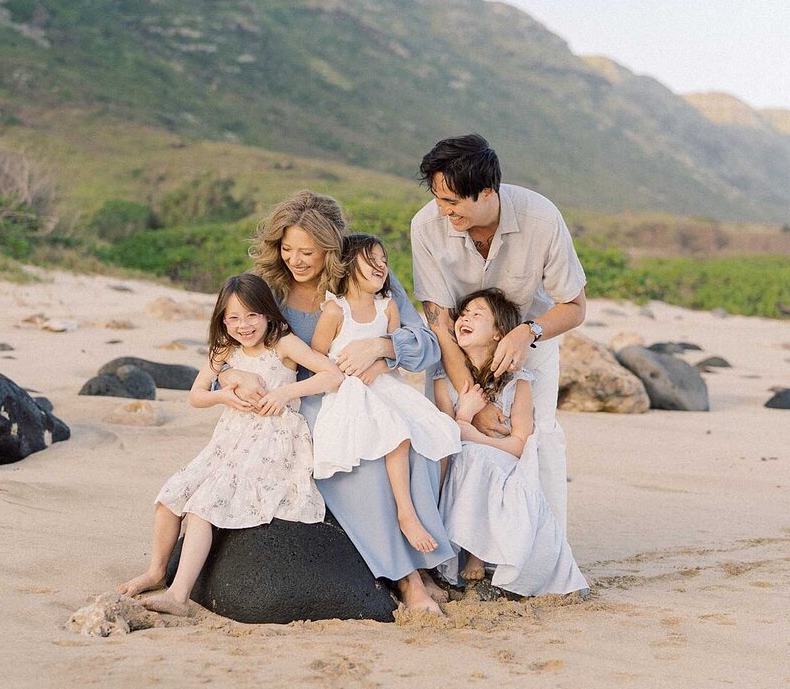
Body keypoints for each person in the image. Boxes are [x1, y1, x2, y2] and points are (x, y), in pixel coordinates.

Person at [218, 191, 450, 614]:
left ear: (332, 248)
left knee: (419, 441)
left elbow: (427, 346)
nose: (297, 260)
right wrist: (229, 374)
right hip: (302, 401)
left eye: (308, 251)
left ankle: (427, 562)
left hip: (366, 393)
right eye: (288, 249)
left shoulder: (365, 279)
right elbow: (228, 343)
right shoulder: (269, 288)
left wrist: (382, 347)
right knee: (365, 458)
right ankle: (408, 579)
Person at [116, 273, 342, 615]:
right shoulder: (225, 348)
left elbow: (332, 375)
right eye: (233, 317)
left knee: (202, 506)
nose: (244, 325)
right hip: (231, 436)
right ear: (223, 319)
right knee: (171, 496)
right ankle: (156, 571)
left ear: (267, 313)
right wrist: (223, 395)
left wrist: (285, 392)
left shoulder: (283, 343)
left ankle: (178, 596)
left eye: (252, 315)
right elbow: (195, 395)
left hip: (273, 438)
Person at [411, 134, 587, 529]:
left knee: (539, 437)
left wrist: (528, 331)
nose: (442, 211)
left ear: (488, 192)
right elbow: (438, 321)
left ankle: (540, 548)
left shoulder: (541, 219)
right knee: (444, 433)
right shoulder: (425, 225)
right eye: (438, 198)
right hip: (457, 343)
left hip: (531, 340)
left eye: (452, 202)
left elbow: (576, 307)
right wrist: (475, 397)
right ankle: (448, 552)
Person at [310, 234, 461, 554]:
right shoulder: (336, 311)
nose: (381, 266)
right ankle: (406, 515)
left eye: (384, 260)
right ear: (349, 264)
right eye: (371, 259)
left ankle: (435, 515)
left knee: (443, 430)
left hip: (386, 385)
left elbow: (393, 355)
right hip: (349, 390)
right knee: (397, 432)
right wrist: (341, 376)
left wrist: (379, 363)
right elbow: (317, 356)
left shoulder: (388, 306)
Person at [433, 289, 588, 596]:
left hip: (503, 462)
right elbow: (443, 431)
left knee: (475, 456)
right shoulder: (443, 378)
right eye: (463, 314)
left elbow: (519, 444)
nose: (465, 318)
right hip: (460, 459)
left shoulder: (518, 382)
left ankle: (476, 555)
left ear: (498, 335)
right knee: (466, 457)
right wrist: (463, 415)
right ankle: (461, 554)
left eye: (477, 315)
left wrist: (472, 432)